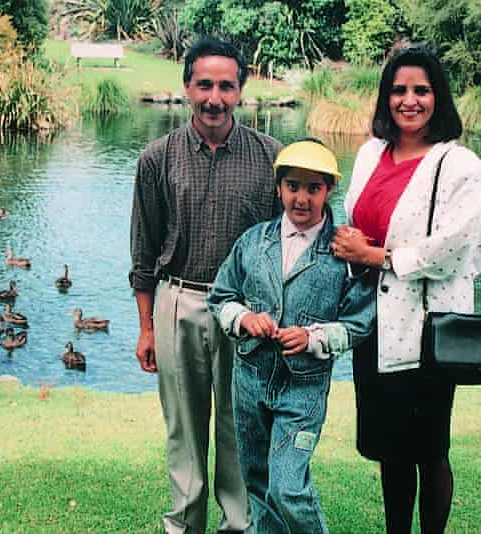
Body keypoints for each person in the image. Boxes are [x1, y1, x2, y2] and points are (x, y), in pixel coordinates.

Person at [331, 46, 481, 533]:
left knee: (428, 447)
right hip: (373, 322)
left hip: (428, 328)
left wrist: (378, 256)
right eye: (398, 90)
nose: (409, 100)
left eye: (420, 90)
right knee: (390, 447)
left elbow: (457, 247)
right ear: (385, 98)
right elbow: (356, 220)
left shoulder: (459, 166)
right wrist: (352, 244)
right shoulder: (369, 154)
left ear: (438, 97)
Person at [129, 37, 282, 534]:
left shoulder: (271, 159)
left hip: (247, 311)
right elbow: (143, 252)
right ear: (187, 87)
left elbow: (289, 245)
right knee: (184, 430)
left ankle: (238, 525)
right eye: (204, 85)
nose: (214, 97)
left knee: (240, 427)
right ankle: (184, 525)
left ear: (241, 90)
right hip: (179, 302)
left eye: (226, 86)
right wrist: (146, 328)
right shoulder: (158, 158)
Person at [207, 139, 376, 533]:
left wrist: (314, 337)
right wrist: (244, 318)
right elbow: (221, 297)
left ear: (329, 189)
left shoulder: (343, 254)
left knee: (287, 488)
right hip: (249, 381)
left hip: (302, 390)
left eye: (313, 188)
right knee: (256, 484)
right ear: (279, 187)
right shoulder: (253, 242)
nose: (302, 199)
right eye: (293, 187)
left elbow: (360, 322)